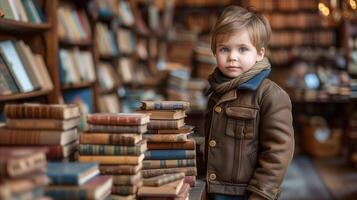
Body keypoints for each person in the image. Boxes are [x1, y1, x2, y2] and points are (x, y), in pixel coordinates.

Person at [204, 5, 294, 200]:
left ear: (259, 54)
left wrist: (260, 194)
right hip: (215, 191)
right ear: (214, 52)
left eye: (243, 49)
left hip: (246, 194)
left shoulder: (270, 95)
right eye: (224, 49)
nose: (232, 57)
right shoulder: (216, 91)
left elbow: (278, 151)